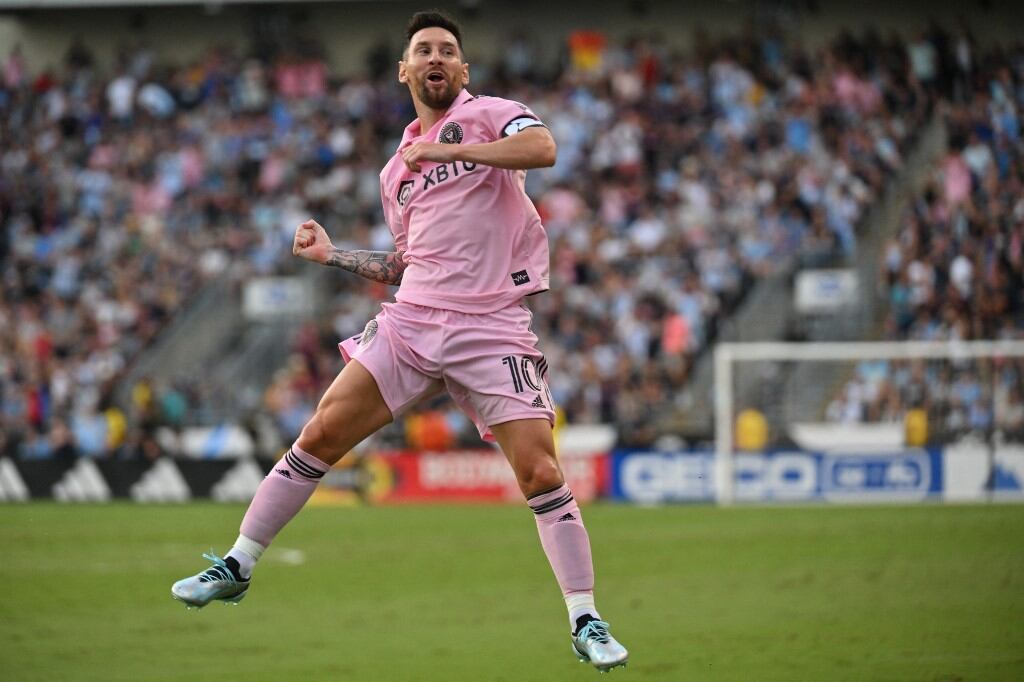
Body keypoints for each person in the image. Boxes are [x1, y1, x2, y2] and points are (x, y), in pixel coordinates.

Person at [171, 11, 628, 672]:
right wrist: (333, 256)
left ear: (463, 71)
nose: (436, 57)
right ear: (405, 71)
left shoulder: (496, 114)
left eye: (448, 49)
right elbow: (405, 263)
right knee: (321, 433)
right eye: (424, 50)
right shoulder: (396, 172)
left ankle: (585, 618)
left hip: (492, 323)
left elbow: (544, 150)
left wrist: (450, 148)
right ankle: (239, 563)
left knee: (542, 473)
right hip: (414, 320)